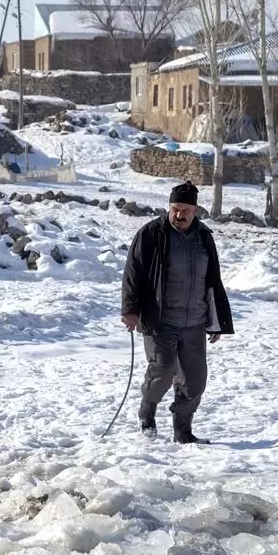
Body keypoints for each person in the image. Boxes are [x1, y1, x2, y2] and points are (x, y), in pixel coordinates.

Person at [120, 181, 234, 443]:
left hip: (194, 321)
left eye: (185, 210)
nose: (179, 215)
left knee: (194, 382)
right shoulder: (151, 234)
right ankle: (147, 412)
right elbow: (132, 274)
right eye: (175, 209)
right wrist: (130, 309)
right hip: (160, 319)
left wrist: (216, 321)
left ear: (195, 210)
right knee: (163, 371)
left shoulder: (204, 237)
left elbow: (212, 280)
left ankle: (182, 431)